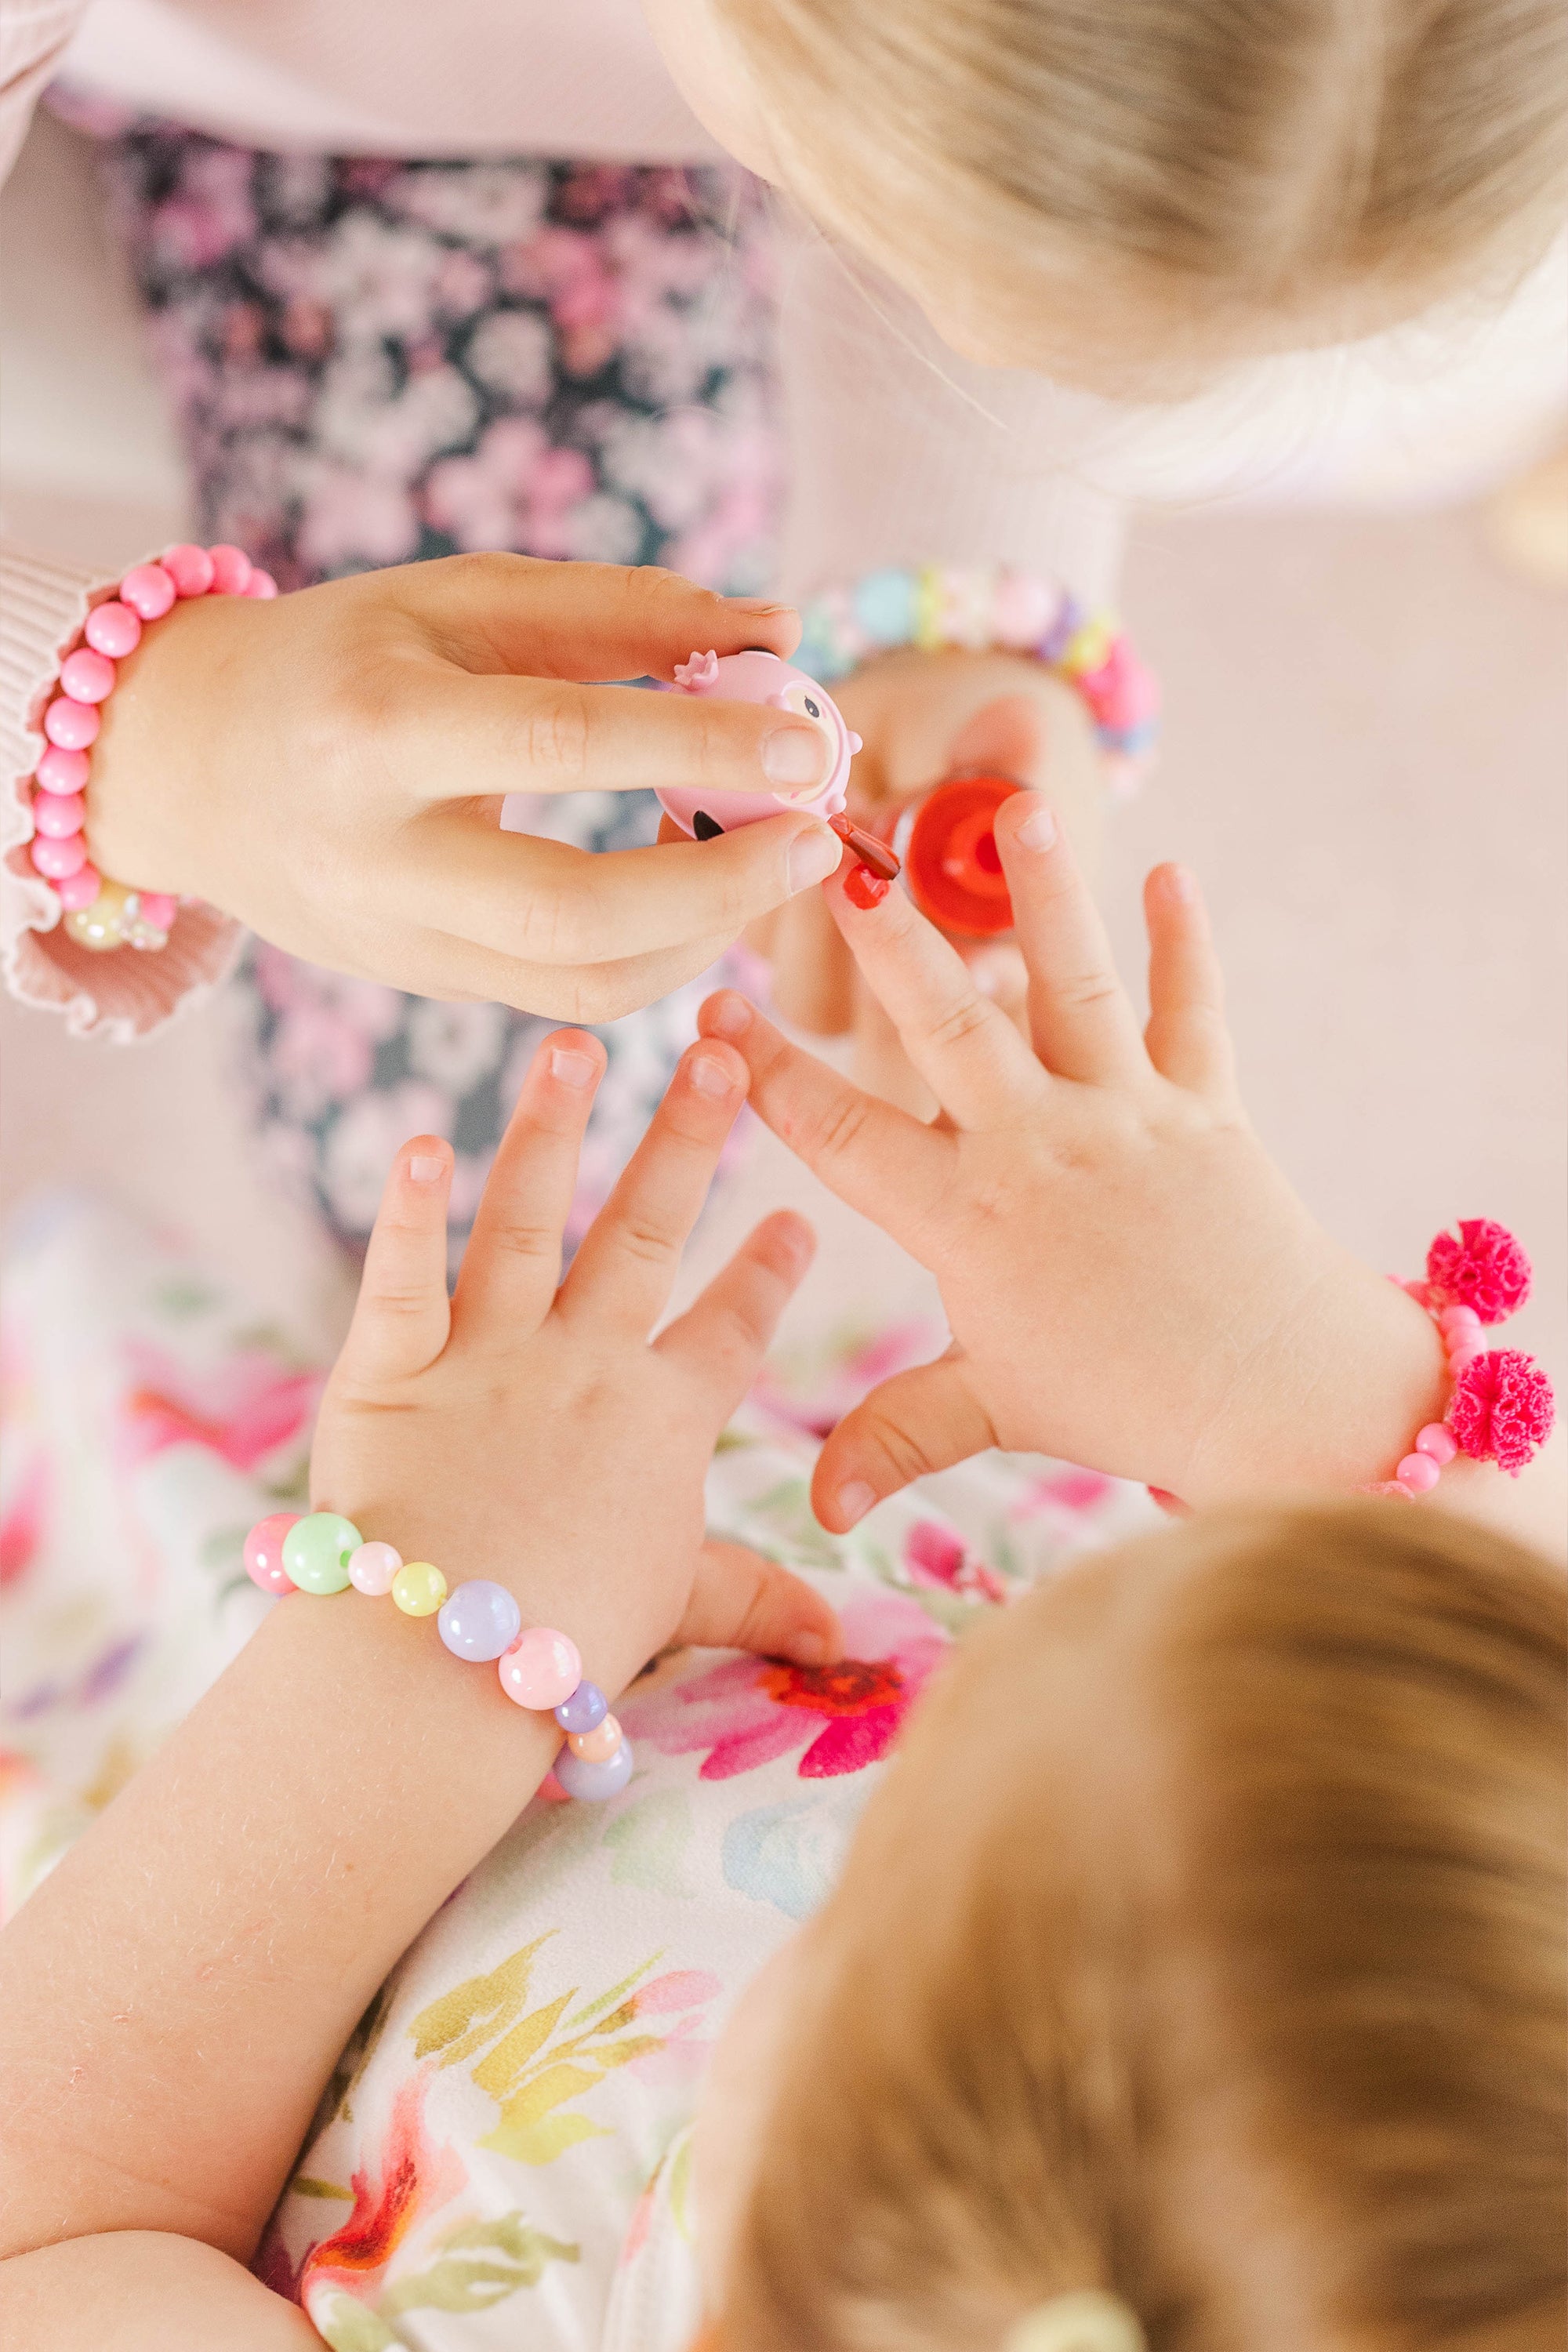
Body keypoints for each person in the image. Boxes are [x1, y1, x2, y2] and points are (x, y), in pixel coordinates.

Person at [0, 800, 1559, 2347]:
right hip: (718, 1521)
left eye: (882, 1889)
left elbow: (56, 2219)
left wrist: (438, 1614)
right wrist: (1284, 1384)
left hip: (239, 1869)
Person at [2, 0, 1564, 1254]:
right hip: (238, 112)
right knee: (471, 1184)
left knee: (553, 1176)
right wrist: (144, 741)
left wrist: (956, 590)